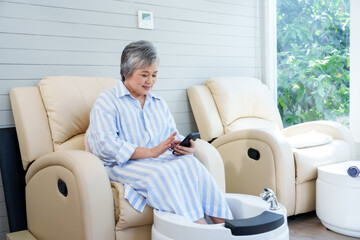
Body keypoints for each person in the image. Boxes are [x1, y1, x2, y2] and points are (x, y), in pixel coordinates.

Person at [86, 40, 233, 224]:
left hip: (156, 161)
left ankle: (226, 226)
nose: (150, 81)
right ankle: (201, 230)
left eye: (154, 75)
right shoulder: (107, 101)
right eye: (144, 75)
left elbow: (172, 135)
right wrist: (150, 152)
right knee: (165, 173)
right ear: (126, 72)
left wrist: (184, 146)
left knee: (191, 164)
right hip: (121, 166)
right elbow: (104, 145)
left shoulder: (158, 103)